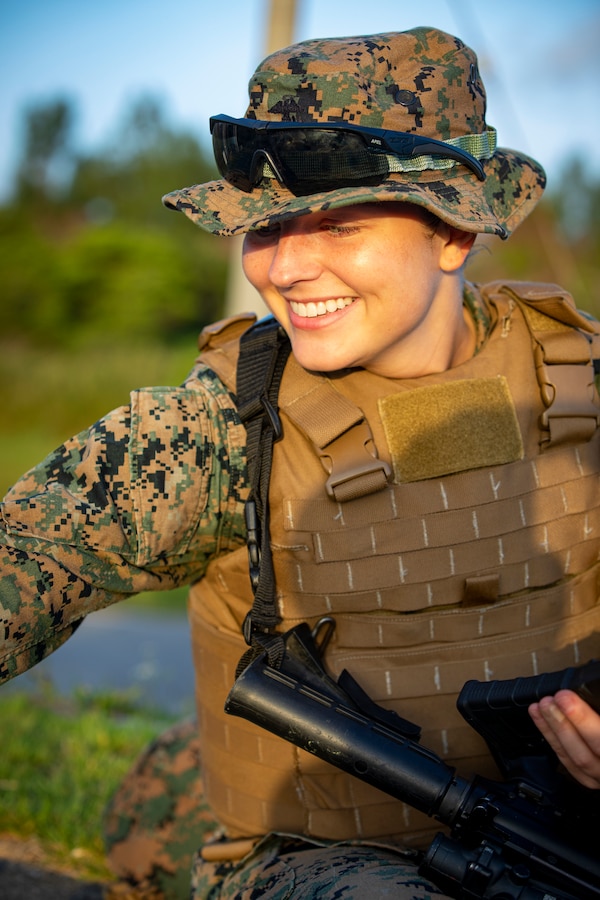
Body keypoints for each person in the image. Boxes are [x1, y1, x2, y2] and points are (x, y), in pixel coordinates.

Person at [1, 24, 599, 900]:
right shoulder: (221, 427)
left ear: (455, 232)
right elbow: (26, 560)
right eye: (266, 226)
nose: (287, 266)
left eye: (340, 222)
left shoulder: (583, 387)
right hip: (322, 859)